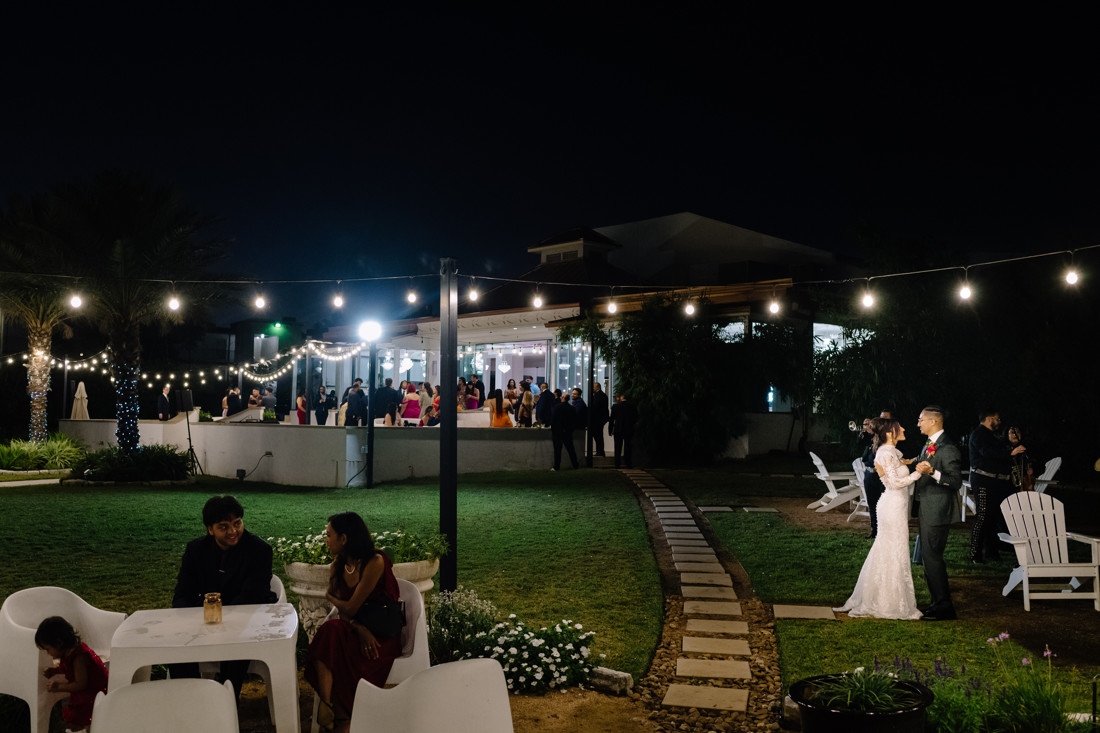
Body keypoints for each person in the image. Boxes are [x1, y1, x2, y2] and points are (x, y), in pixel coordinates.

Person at [306, 512, 402, 733]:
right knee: (330, 635)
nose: (325, 540)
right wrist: (359, 629)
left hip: (381, 637)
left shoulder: (375, 562)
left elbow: (350, 607)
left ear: (344, 539)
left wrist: (329, 597)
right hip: (357, 630)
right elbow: (345, 615)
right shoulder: (337, 567)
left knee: (332, 644)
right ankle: (334, 711)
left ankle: (335, 716)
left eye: (329, 535)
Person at [171, 495, 276, 696]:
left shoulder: (259, 550)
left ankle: (227, 700)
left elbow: (252, 595)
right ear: (210, 529)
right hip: (204, 621)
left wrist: (221, 619)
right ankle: (191, 698)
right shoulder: (196, 550)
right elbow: (182, 593)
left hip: (248, 620)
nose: (233, 531)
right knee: (177, 646)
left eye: (237, 523)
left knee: (237, 640)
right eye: (224, 526)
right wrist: (191, 620)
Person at [834, 418, 923, 619]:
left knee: (891, 549)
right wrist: (918, 473)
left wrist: (910, 462)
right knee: (893, 549)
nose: (904, 428)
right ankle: (888, 602)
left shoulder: (891, 452)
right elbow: (894, 483)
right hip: (891, 505)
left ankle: (885, 596)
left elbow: (898, 466)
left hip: (896, 506)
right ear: (890, 432)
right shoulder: (885, 452)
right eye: (899, 427)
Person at [913, 405, 963, 621]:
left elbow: (955, 482)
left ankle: (944, 607)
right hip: (927, 507)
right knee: (928, 557)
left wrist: (932, 472)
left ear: (933, 421)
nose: (918, 423)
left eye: (921, 420)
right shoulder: (930, 444)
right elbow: (918, 462)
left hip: (938, 511)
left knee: (932, 558)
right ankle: (936, 603)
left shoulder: (948, 448)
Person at [36, 616, 109, 731]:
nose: (48, 653)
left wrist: (58, 686)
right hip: (86, 694)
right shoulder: (69, 653)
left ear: (59, 643)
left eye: (48, 649)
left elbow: (80, 684)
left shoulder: (79, 658)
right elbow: (68, 669)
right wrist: (55, 671)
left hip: (93, 696)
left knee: (78, 721)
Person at [968, 408, 1017, 563]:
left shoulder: (992, 435)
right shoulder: (978, 434)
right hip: (983, 479)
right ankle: (975, 553)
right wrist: (1010, 452)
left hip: (996, 481)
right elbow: (987, 452)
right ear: (989, 418)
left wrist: (1010, 444)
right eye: (997, 419)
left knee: (993, 517)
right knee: (982, 516)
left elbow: (998, 448)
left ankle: (992, 551)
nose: (999, 422)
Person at [859, 409, 893, 539]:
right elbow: (860, 443)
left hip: (881, 476)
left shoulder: (889, 437)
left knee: (883, 504)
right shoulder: (872, 437)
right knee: (872, 504)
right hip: (869, 474)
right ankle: (874, 531)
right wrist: (864, 430)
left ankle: (885, 531)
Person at [550, 390, 579, 470]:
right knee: (571, 449)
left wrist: (553, 430)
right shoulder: (572, 408)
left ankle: (557, 466)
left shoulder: (557, 407)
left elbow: (553, 420)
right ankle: (575, 464)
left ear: (562, 398)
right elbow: (574, 421)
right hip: (567, 432)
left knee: (557, 450)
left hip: (558, 432)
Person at [608, 392, 637, 468]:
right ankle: (628, 463)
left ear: (621, 398)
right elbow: (635, 418)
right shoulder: (632, 406)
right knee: (628, 446)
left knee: (617, 447)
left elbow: (612, 420)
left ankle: (617, 463)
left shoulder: (615, 406)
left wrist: (610, 430)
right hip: (628, 429)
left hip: (618, 429)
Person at [1007, 425, 1035, 491]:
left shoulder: (1024, 448)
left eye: (1018, 432)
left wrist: (1031, 468)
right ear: (1007, 435)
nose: (1015, 434)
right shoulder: (1004, 448)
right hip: (1008, 485)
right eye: (1012, 432)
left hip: (1023, 485)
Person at [590, 382, 610, 457]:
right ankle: (600, 451)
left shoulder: (599, 395)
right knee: (599, 436)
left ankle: (600, 451)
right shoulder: (602, 395)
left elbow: (596, 406)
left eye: (594, 387)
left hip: (597, 419)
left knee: (598, 436)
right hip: (600, 419)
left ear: (597, 387)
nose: (592, 388)